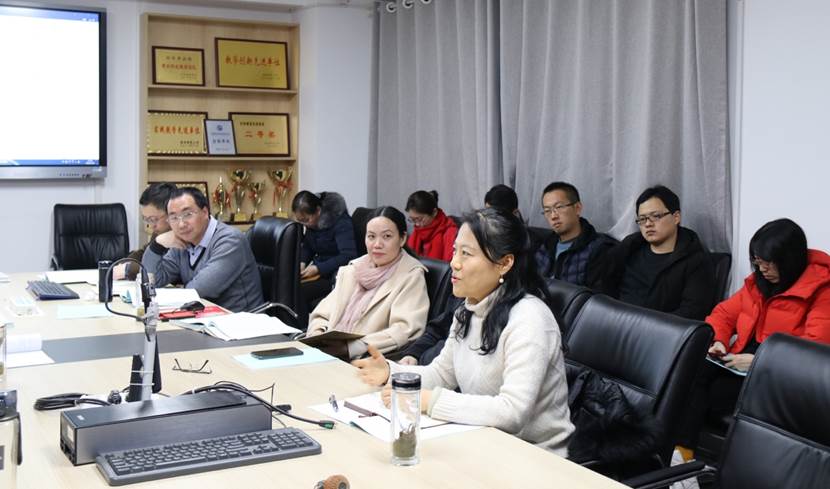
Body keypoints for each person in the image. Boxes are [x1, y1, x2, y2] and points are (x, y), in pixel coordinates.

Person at [353, 207, 574, 456]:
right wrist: (391, 372)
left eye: (466, 254)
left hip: (536, 456)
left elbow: (512, 411)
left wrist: (431, 401)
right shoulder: (467, 310)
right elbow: (441, 374)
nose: (454, 263)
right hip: (483, 442)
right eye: (455, 250)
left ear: (504, 263)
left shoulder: (530, 318)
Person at [676, 218, 830, 457]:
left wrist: (759, 362)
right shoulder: (759, 282)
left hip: (778, 374)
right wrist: (718, 341)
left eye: (769, 263)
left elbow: (813, 351)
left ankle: (684, 458)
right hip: (740, 362)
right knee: (688, 371)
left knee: (704, 394)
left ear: (789, 260)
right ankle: (680, 455)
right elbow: (724, 313)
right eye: (757, 262)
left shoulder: (822, 290)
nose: (762, 270)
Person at [306, 206, 429, 360]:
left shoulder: (411, 276)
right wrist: (317, 335)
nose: (377, 244)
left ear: (402, 239)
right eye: (371, 236)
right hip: (327, 355)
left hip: (365, 360)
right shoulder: (353, 270)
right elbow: (322, 315)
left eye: (387, 236)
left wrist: (350, 348)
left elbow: (404, 330)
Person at [599, 185, 715, 320]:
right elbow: (605, 287)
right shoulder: (629, 249)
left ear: (676, 217)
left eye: (656, 216)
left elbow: (693, 311)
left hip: (660, 329)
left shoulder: (695, 261)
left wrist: (647, 326)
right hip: (617, 323)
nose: (648, 224)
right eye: (642, 219)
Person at [142, 187, 263, 312]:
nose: (181, 224)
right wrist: (157, 246)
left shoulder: (230, 241)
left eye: (187, 214)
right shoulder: (182, 241)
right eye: (174, 218)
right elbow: (151, 282)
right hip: (203, 317)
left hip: (238, 319)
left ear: (205, 212)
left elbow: (199, 291)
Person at [534, 181, 616, 287]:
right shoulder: (544, 246)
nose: (553, 216)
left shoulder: (599, 249)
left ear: (577, 208)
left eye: (559, 207)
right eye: (547, 211)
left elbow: (596, 295)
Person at [292, 191, 358, 321]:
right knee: (290, 286)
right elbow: (308, 246)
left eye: (306, 220)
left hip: (335, 275)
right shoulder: (312, 223)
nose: (305, 224)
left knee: (298, 291)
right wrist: (302, 263)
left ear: (318, 211)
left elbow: (348, 255)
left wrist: (318, 268)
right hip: (320, 272)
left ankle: (302, 328)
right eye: (301, 221)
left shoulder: (341, 222)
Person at [116, 182, 177, 280]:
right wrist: (125, 262)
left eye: (153, 219)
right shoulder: (160, 231)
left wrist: (129, 269)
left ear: (171, 214)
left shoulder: (183, 235)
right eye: (146, 219)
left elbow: (164, 267)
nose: (151, 226)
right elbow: (145, 253)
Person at [397, 296, 464, 366]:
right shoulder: (461, 302)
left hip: (433, 365)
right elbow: (436, 330)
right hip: (426, 363)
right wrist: (413, 354)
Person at [405, 190, 458, 262]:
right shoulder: (417, 231)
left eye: (419, 219)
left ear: (434, 212)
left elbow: (450, 264)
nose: (417, 224)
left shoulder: (450, 232)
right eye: (413, 220)